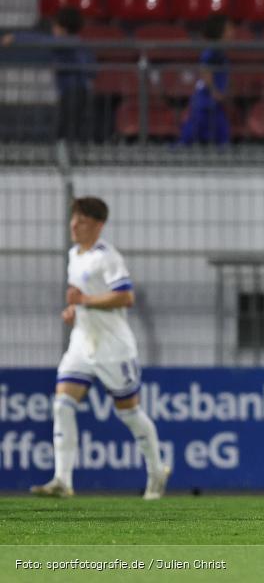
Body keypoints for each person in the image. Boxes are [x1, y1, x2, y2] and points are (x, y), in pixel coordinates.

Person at [30, 197, 170, 500]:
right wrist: (75, 310)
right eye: (73, 219)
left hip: (112, 347)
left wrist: (85, 301)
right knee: (62, 405)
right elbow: (84, 298)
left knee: (129, 413)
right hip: (82, 343)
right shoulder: (74, 256)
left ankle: (156, 470)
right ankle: (62, 479)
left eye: (81, 221)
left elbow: (125, 297)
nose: (73, 225)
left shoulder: (107, 257)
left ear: (97, 225)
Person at [2, 6, 95, 142]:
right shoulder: (78, 42)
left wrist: (15, 38)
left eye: (55, 26)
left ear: (63, 29)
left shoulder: (68, 42)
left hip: (73, 92)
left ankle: (66, 152)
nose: (52, 30)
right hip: (73, 92)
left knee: (67, 131)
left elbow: (40, 41)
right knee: (68, 129)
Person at [178, 14, 233, 145]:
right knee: (189, 138)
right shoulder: (211, 52)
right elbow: (205, 71)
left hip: (215, 104)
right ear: (220, 32)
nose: (232, 32)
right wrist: (215, 91)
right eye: (229, 29)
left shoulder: (221, 53)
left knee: (223, 136)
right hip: (205, 102)